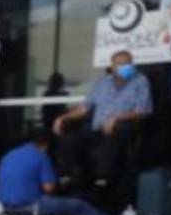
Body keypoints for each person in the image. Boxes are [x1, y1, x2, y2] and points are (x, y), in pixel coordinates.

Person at [0, 131, 158, 215]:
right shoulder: (40, 156)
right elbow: (49, 189)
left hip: (5, 206)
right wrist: (60, 183)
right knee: (78, 205)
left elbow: (1, 182)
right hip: (29, 206)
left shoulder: (8, 155)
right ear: (44, 145)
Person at [52, 49, 152, 203]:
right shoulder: (103, 82)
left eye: (129, 63)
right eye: (121, 64)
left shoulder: (140, 81)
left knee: (113, 138)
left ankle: (102, 183)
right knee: (71, 139)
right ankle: (67, 179)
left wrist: (117, 118)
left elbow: (143, 111)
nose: (126, 66)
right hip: (98, 129)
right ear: (112, 66)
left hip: (124, 128)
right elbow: (85, 108)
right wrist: (63, 118)